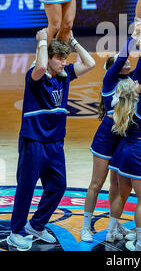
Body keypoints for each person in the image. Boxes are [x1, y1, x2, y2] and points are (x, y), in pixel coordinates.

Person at [7, 28, 95, 251]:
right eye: (60, 59)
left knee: (58, 185)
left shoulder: (65, 76)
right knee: (26, 188)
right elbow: (41, 66)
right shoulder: (35, 76)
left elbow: (90, 63)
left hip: (55, 143)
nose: (64, 63)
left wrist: (73, 41)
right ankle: (15, 232)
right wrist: (43, 42)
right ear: (50, 58)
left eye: (66, 59)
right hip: (34, 141)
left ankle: (36, 226)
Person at [80, 24, 141, 243]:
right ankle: (85, 226)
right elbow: (121, 58)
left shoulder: (132, 79)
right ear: (111, 67)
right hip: (106, 136)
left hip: (125, 137)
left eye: (130, 60)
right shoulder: (109, 81)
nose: (128, 61)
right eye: (123, 60)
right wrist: (132, 37)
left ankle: (114, 223)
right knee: (96, 183)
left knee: (117, 185)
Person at [107, 39, 141, 251]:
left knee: (122, 194)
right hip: (139, 154)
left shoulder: (125, 103)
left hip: (123, 154)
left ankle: (111, 231)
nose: (138, 81)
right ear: (138, 89)